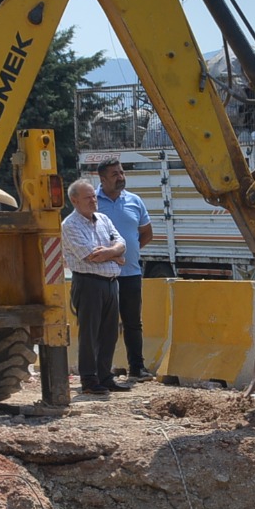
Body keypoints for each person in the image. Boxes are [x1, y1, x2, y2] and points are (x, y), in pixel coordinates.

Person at [60, 179, 128, 395]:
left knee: (110, 333)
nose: (93, 200)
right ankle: (89, 379)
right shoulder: (70, 225)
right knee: (89, 334)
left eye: (94, 196)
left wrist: (111, 252)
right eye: (88, 197)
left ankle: (105, 376)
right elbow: (89, 255)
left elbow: (121, 243)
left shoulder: (103, 219)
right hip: (88, 283)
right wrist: (114, 255)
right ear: (74, 200)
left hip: (110, 283)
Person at [96, 158, 155, 381]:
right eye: (114, 174)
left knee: (132, 322)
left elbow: (147, 233)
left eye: (121, 173)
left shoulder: (134, 201)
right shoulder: (92, 202)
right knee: (105, 325)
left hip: (130, 273)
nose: (121, 177)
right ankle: (102, 371)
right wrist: (110, 256)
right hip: (102, 275)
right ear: (102, 179)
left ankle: (137, 368)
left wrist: (127, 251)